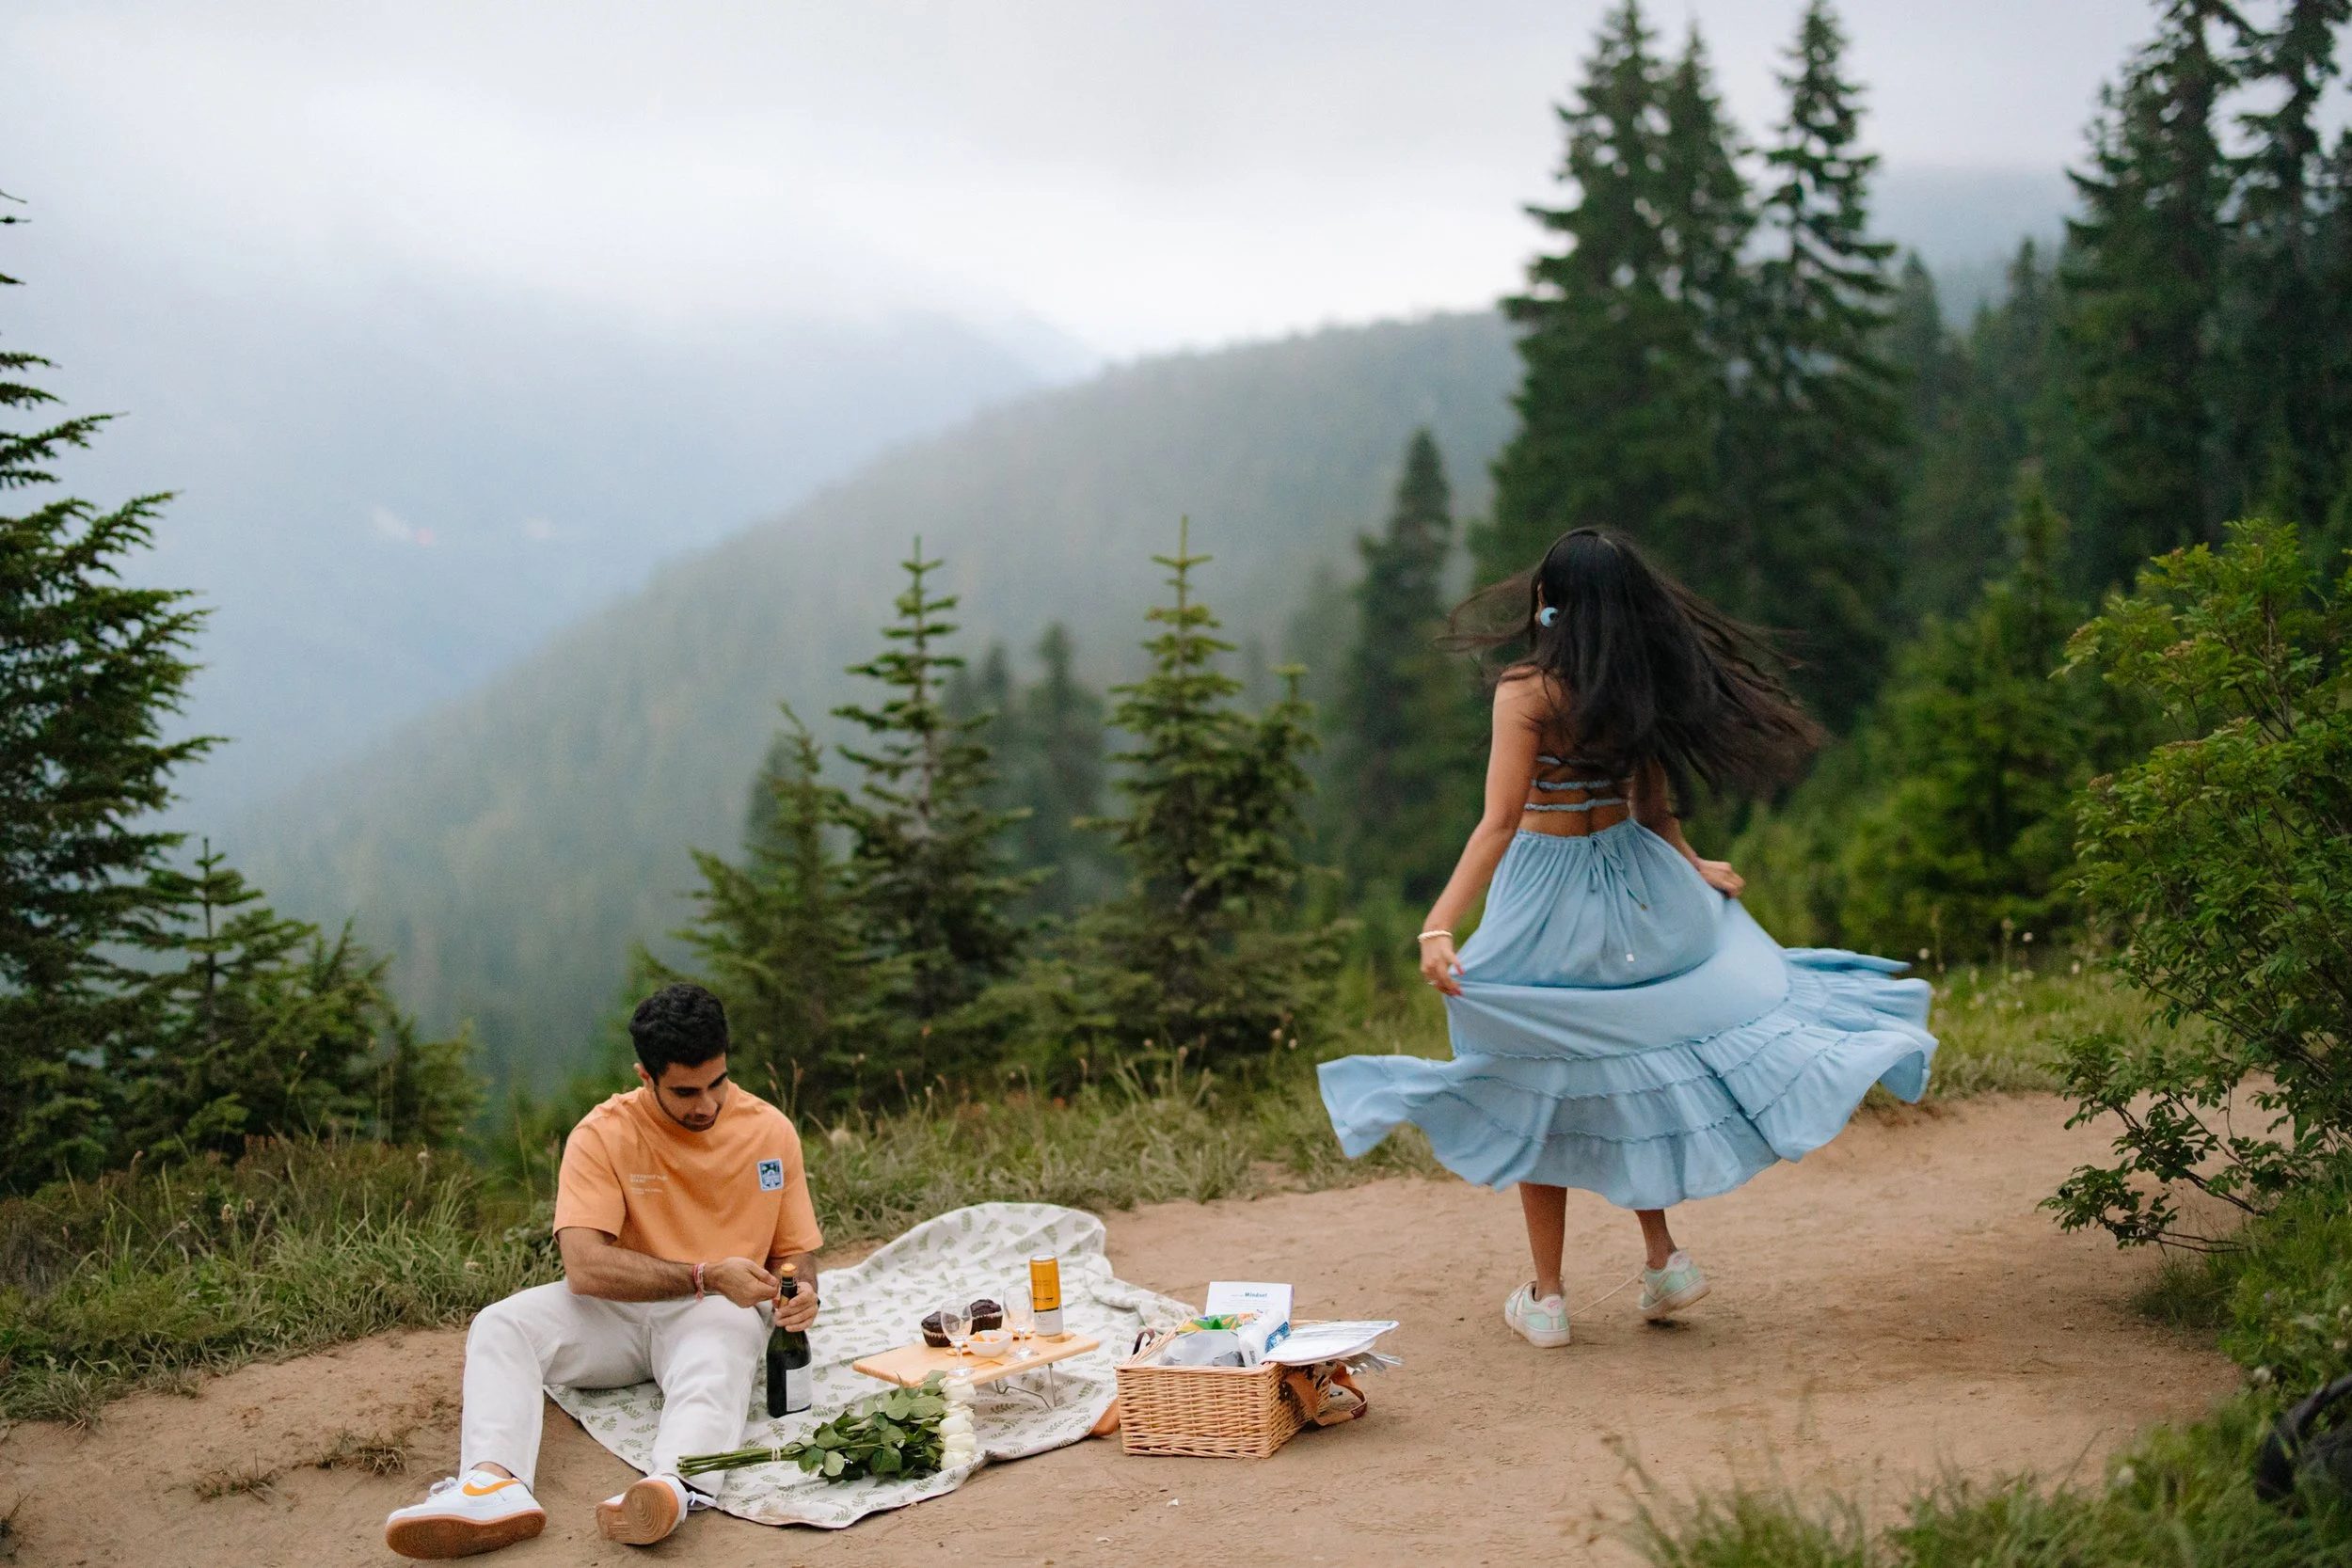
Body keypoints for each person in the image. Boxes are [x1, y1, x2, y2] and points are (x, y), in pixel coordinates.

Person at [1319, 528, 1935, 1348]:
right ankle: (1664, 1259)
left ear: (1550, 600)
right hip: (1636, 887)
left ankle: (1548, 1297)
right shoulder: (1636, 678)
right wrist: (1691, 862)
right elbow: (1653, 807)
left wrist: (1440, 923)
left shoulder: (1528, 690)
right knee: (1630, 1065)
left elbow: (1499, 822)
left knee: (1530, 1073)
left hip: (1547, 892)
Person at [385, 983, 823, 1558]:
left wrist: (801, 1290)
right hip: (617, 1311)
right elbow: (585, 1267)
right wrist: (704, 1273)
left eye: (717, 1082)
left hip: (714, 1313)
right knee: (500, 1323)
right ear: (646, 1077)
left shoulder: (770, 1131)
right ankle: (493, 1484)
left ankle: (672, 1487)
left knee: (724, 1345)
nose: (707, 1105)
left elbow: (793, 1251)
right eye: (685, 1091)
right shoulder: (602, 1134)